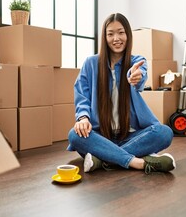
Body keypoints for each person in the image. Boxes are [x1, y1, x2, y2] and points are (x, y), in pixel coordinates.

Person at [67, 13, 175, 174]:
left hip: (131, 135)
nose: (116, 38)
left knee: (164, 133)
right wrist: (82, 117)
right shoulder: (91, 63)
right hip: (100, 135)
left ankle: (103, 159)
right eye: (110, 34)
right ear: (104, 37)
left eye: (121, 32)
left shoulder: (137, 61)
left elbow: (139, 75)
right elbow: (81, 93)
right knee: (74, 135)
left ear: (128, 35)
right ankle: (137, 162)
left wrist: (136, 77)